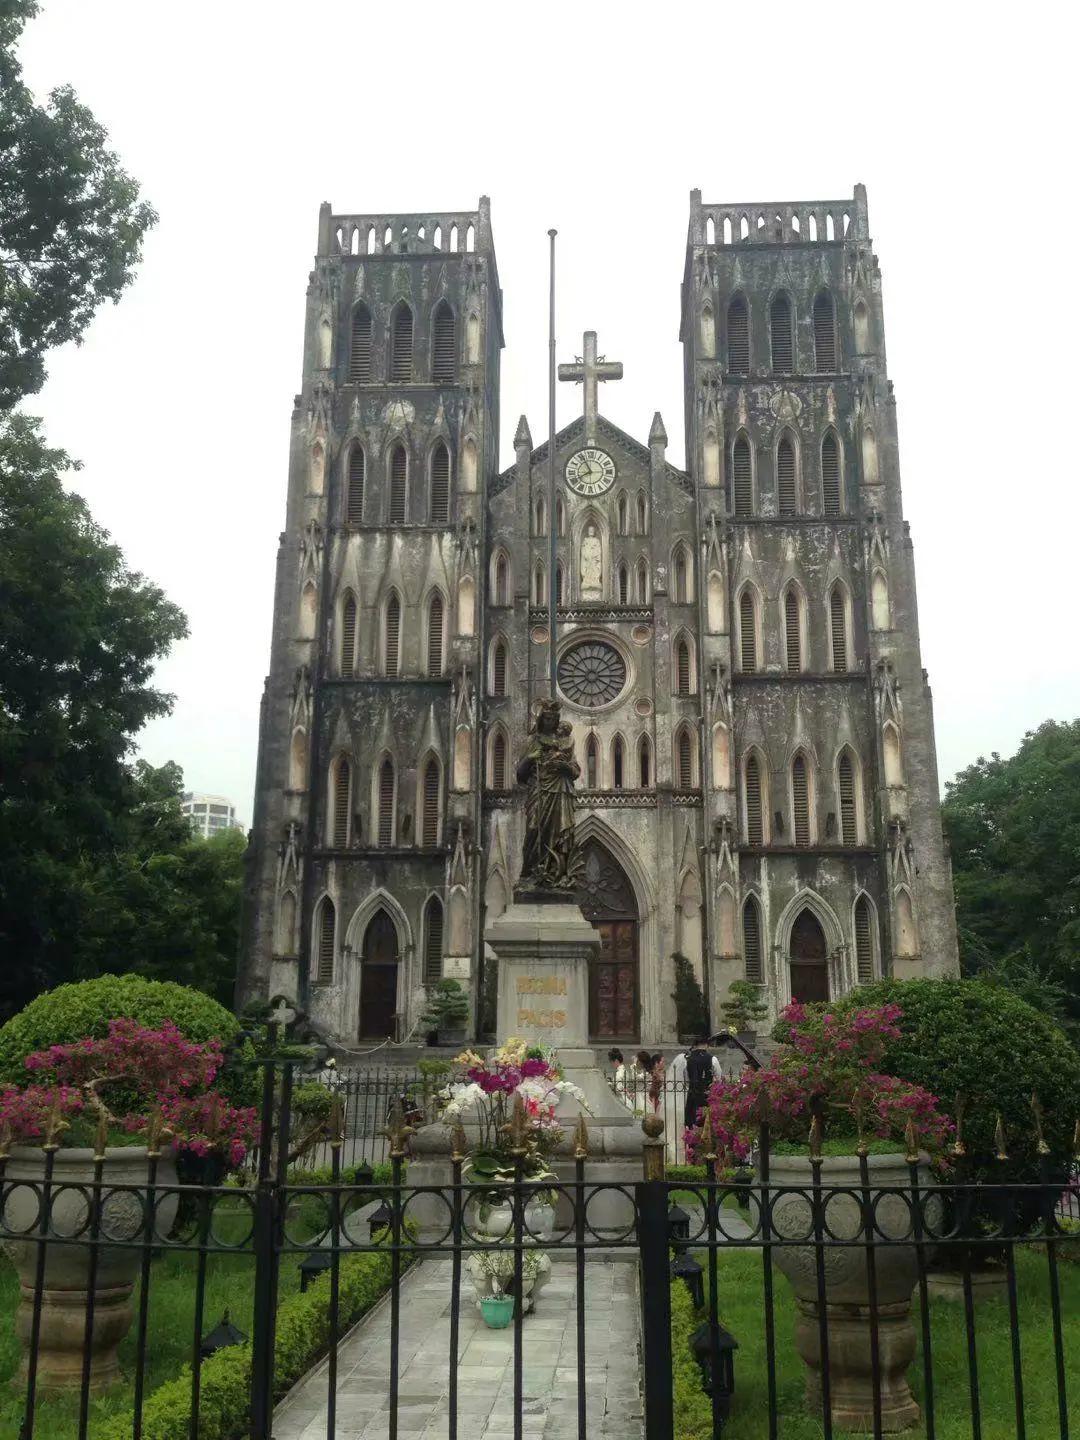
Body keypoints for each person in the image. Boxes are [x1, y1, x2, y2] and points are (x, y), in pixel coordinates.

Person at [684, 1036, 715, 1130]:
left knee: (692, 1123)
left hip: (692, 1095)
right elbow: (718, 1076)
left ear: (696, 1045)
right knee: (705, 1124)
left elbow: (686, 1077)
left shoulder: (688, 1058)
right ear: (706, 1045)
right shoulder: (712, 1059)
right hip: (706, 1095)